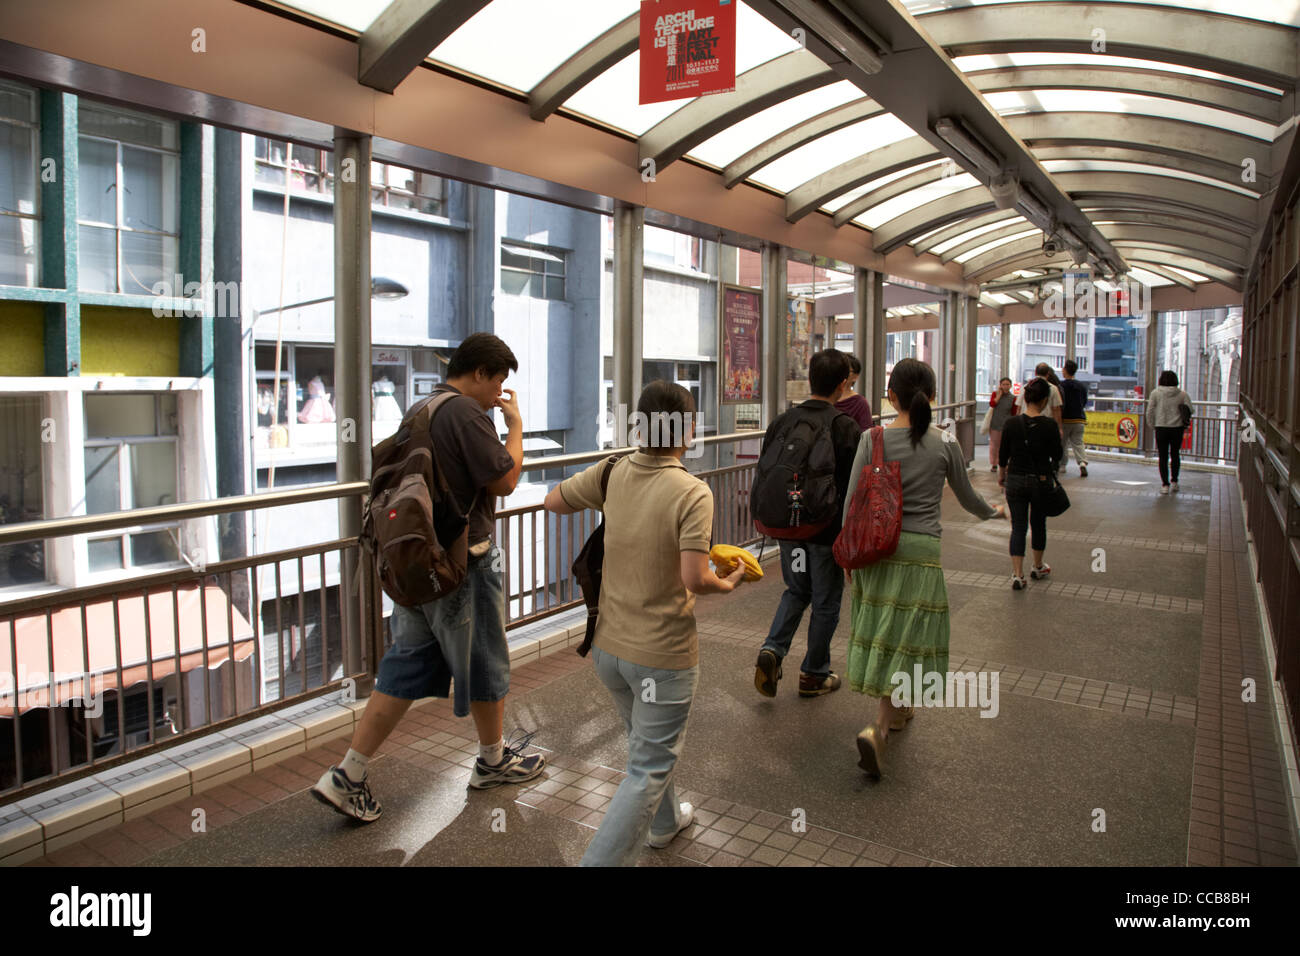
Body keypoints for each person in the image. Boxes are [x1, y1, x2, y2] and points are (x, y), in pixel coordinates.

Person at [312, 333, 541, 823]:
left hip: (418, 562)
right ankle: (493, 762)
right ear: (479, 373)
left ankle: (349, 774)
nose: (498, 393)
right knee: (485, 662)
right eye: (497, 381)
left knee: (405, 665)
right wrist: (516, 427)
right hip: (461, 563)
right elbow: (505, 479)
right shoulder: (464, 413)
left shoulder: (422, 406)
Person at [544, 381, 746, 866]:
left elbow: (553, 501)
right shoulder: (692, 492)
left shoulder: (612, 471)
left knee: (646, 746)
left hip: (610, 650)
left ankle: (665, 824)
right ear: (689, 429)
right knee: (647, 766)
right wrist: (730, 581)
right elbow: (695, 578)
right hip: (661, 656)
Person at [845, 358, 1006, 779]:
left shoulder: (872, 438)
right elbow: (969, 497)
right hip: (921, 551)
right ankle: (880, 726)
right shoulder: (945, 442)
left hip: (877, 550)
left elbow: (851, 502)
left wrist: (848, 554)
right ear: (932, 396)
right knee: (910, 633)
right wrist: (995, 513)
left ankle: (896, 714)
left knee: (883, 628)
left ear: (890, 395)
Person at [755, 349, 862, 699]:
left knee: (797, 589)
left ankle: (773, 649)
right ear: (844, 382)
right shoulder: (844, 426)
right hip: (825, 531)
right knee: (826, 601)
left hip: (790, 528)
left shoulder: (783, 421)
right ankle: (814, 673)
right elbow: (851, 488)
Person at [999, 377, 1064, 590]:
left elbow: (1003, 455)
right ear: (1045, 400)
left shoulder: (1011, 423)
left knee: (1018, 527)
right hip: (1040, 480)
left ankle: (1018, 575)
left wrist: (1002, 475)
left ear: (1025, 398)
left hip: (1015, 480)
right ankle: (1037, 566)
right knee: (1038, 524)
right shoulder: (1050, 425)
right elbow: (1058, 455)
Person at [1147, 370, 1194, 494]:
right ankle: (1175, 482)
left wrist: (1153, 425)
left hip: (1161, 427)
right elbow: (1191, 409)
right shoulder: (1182, 394)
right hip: (1177, 428)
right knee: (1175, 455)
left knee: (1163, 456)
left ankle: (1165, 485)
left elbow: (1150, 410)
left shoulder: (1155, 393)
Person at [1059, 360, 1090, 477]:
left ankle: (1062, 466)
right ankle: (1082, 463)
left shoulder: (1061, 386)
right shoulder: (1082, 386)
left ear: (1065, 370)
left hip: (1065, 419)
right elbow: (1084, 401)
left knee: (1063, 443)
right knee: (1078, 442)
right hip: (1079, 419)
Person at [835, 354, 874, 430]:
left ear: (855, 376)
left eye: (845, 370)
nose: (840, 373)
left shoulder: (860, 403)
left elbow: (866, 432)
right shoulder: (828, 397)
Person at [987, 377, 1018, 473]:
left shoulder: (1013, 398)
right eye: (1003, 384)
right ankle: (994, 463)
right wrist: (999, 395)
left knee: (1006, 445)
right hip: (995, 423)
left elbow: (1014, 412)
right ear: (1000, 385)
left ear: (1010, 386)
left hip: (1007, 424)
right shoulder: (995, 394)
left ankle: (1005, 462)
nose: (1005, 386)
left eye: (1007, 384)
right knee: (994, 444)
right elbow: (992, 404)